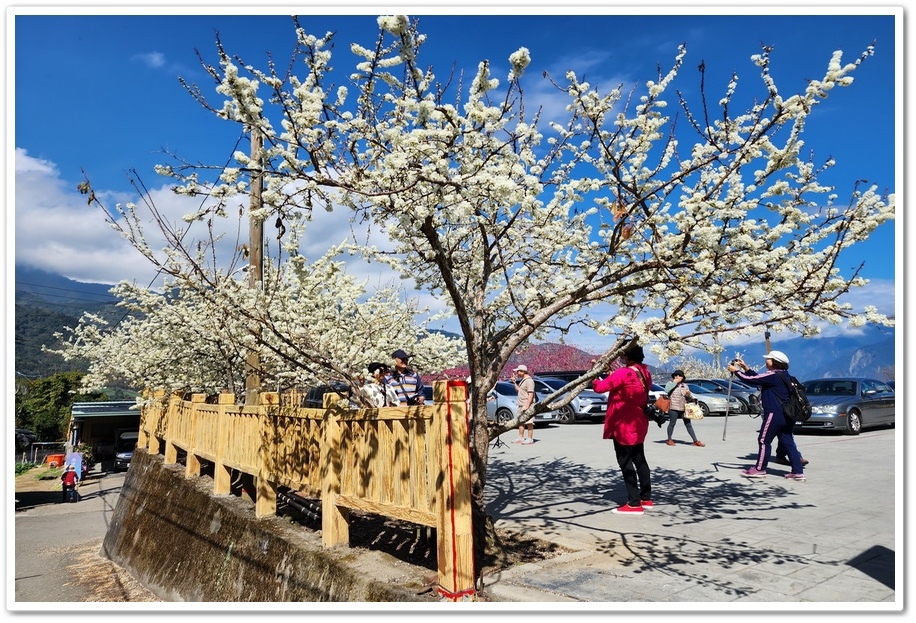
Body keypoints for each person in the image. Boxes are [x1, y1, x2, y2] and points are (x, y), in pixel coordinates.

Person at [593, 344, 653, 515]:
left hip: (623, 422)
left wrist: (595, 373)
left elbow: (600, 388)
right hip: (638, 421)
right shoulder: (644, 372)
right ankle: (646, 497)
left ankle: (634, 503)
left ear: (626, 357)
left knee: (625, 461)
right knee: (639, 459)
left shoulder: (624, 372)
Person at [727, 350, 806, 481]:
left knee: (764, 440)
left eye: (768, 359)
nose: (766, 361)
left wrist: (736, 371)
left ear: (775, 363)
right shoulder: (785, 376)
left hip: (774, 413)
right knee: (788, 441)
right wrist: (745, 368)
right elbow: (758, 379)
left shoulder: (773, 376)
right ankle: (798, 472)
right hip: (788, 414)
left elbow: (750, 380)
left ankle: (760, 469)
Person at [663, 370, 705, 447]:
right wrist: (674, 382)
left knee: (688, 424)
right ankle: (669, 439)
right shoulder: (670, 383)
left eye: (679, 376)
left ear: (683, 378)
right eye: (676, 376)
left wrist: (688, 395)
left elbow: (688, 398)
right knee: (672, 423)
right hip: (673, 407)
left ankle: (695, 441)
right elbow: (666, 390)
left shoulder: (685, 386)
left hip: (683, 407)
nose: (677, 377)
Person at [511, 365, 537, 445]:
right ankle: (520, 437)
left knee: (529, 422)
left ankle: (530, 438)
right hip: (521, 404)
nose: (517, 373)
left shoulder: (529, 381)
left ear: (523, 371)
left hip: (527, 404)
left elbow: (531, 394)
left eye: (518, 371)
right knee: (520, 421)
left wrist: (527, 405)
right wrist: (514, 382)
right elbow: (519, 390)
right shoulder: (523, 380)